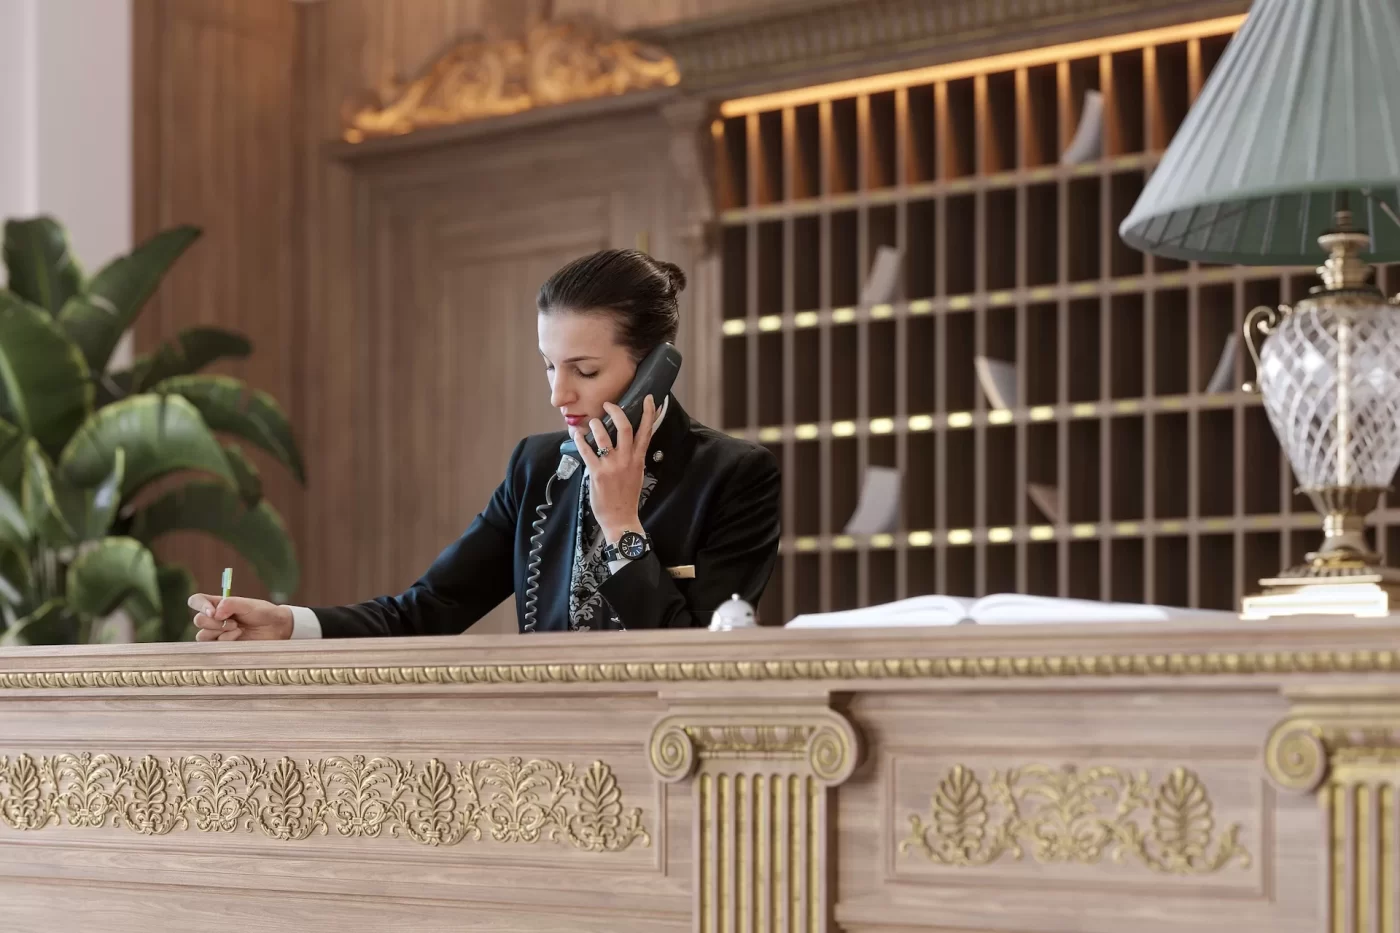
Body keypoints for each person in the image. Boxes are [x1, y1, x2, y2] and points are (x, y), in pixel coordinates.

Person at [190, 249, 781, 639]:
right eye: (550, 366)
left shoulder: (735, 477)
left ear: (656, 368)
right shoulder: (536, 468)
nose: (559, 395)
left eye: (584, 369)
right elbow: (427, 610)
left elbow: (706, 662)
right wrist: (288, 623)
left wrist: (622, 526)